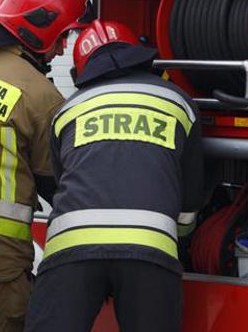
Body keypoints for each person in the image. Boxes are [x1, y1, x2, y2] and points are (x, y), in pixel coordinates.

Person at [24, 20, 204, 332]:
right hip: (149, 250)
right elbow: (190, 196)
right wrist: (182, 241)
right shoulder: (179, 103)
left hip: (72, 248)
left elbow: (60, 179)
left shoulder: (68, 110)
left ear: (81, 71)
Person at [0, 0, 92, 330]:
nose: (63, 49)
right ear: (40, 29)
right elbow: (57, 185)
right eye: (62, 37)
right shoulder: (43, 99)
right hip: (2, 259)